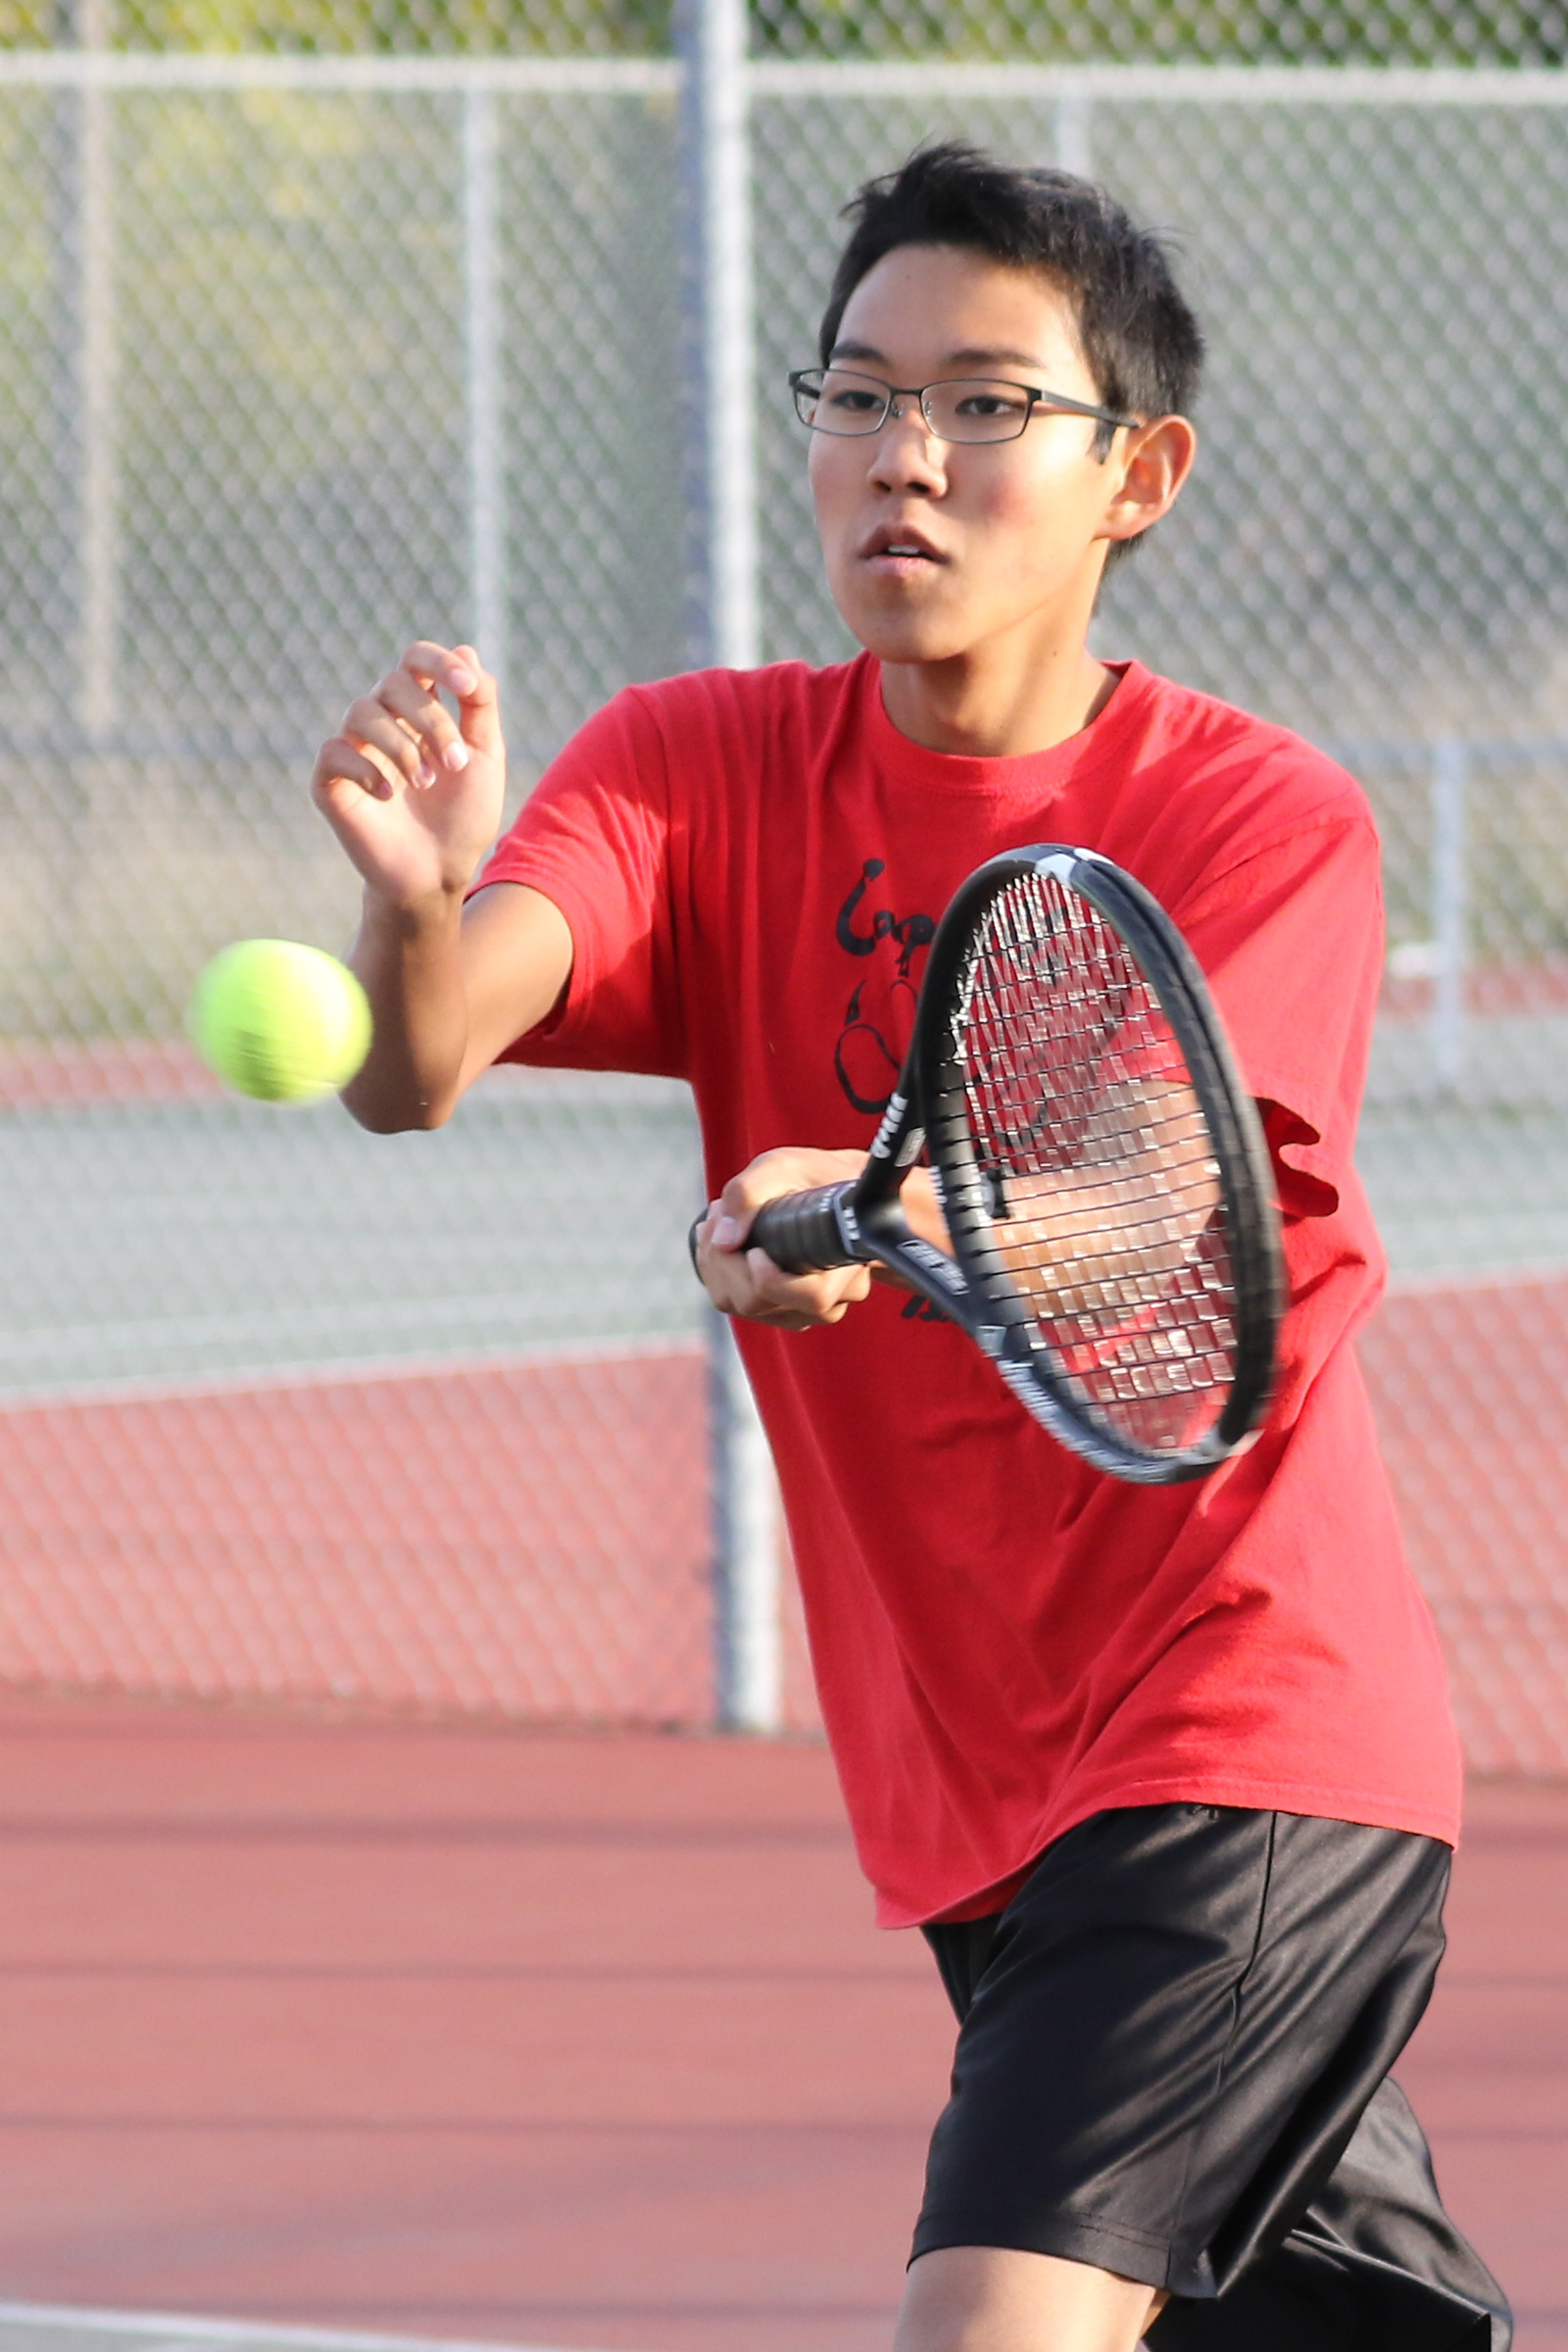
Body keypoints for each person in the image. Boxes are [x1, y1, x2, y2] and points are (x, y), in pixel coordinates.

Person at [310, 142, 1509, 2351]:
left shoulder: (1261, 821)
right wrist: (413, 906)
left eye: (983, 404)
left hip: (1235, 1729)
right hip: (984, 1796)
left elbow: (1164, 1214)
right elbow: (419, 1061)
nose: (903, 458)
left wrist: (878, 1205)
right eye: (857, 396)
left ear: (1136, 472)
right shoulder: (694, 765)